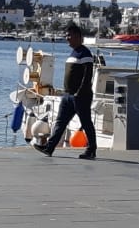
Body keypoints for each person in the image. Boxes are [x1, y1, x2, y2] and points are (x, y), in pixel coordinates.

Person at [36, 22, 96, 158]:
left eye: (69, 35)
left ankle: (91, 150)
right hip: (68, 95)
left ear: (77, 36)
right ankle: (49, 148)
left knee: (86, 122)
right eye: (66, 35)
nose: (67, 38)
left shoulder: (85, 53)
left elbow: (87, 76)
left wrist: (80, 92)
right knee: (60, 122)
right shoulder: (73, 53)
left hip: (80, 96)